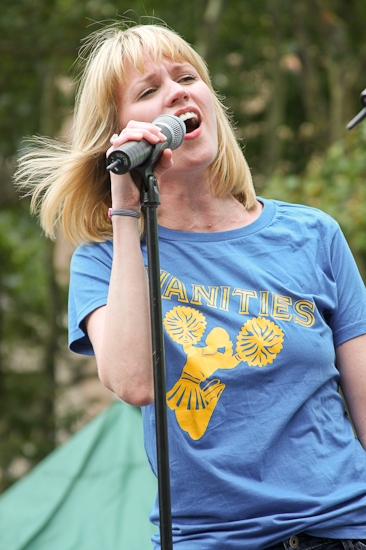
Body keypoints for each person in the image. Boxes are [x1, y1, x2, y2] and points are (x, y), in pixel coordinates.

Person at [15, 21, 366, 550]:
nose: (177, 91)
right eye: (148, 90)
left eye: (186, 76)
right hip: (210, 541)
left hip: (342, 531)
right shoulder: (105, 260)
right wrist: (127, 213)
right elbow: (135, 383)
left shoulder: (312, 234)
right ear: (119, 138)